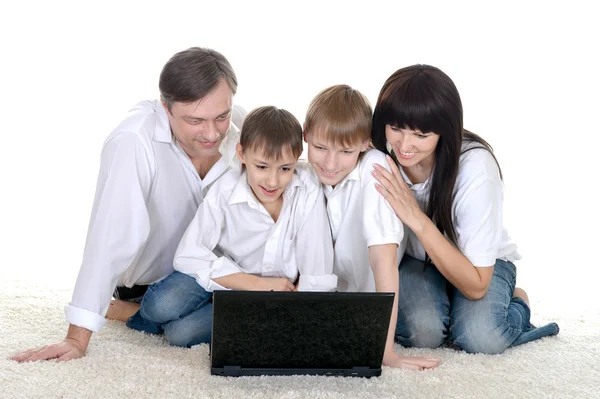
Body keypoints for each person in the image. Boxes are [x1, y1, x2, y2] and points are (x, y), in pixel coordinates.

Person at [11, 47, 246, 362]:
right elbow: (111, 236)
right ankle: (142, 310)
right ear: (165, 108)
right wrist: (76, 338)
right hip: (156, 289)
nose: (212, 132)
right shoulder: (133, 141)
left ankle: (133, 315)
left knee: (186, 331)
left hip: (226, 278)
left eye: (222, 116)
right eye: (195, 120)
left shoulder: (242, 127)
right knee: (179, 329)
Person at [370, 64, 560, 354]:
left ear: (444, 131)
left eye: (421, 135)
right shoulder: (380, 153)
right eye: (396, 128)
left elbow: (477, 285)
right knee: (424, 334)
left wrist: (415, 217)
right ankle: (445, 307)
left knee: (481, 337)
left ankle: (518, 302)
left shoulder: (475, 168)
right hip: (418, 262)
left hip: (478, 268)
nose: (404, 145)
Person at [126, 106, 337, 347]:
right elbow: (188, 255)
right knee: (160, 305)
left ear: (298, 158)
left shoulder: (307, 188)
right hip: (224, 278)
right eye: (262, 167)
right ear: (242, 154)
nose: (272, 181)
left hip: (265, 298)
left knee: (180, 335)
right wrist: (257, 284)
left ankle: (169, 318)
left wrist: (289, 311)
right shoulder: (224, 191)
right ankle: (140, 314)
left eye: (285, 169)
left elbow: (316, 268)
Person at [302, 85, 439, 370]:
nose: (329, 162)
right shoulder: (304, 174)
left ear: (365, 143)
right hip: (332, 299)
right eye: (319, 147)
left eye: (345, 151)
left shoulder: (375, 169)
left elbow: (383, 260)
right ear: (305, 135)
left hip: (371, 292)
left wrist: (385, 350)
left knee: (426, 332)